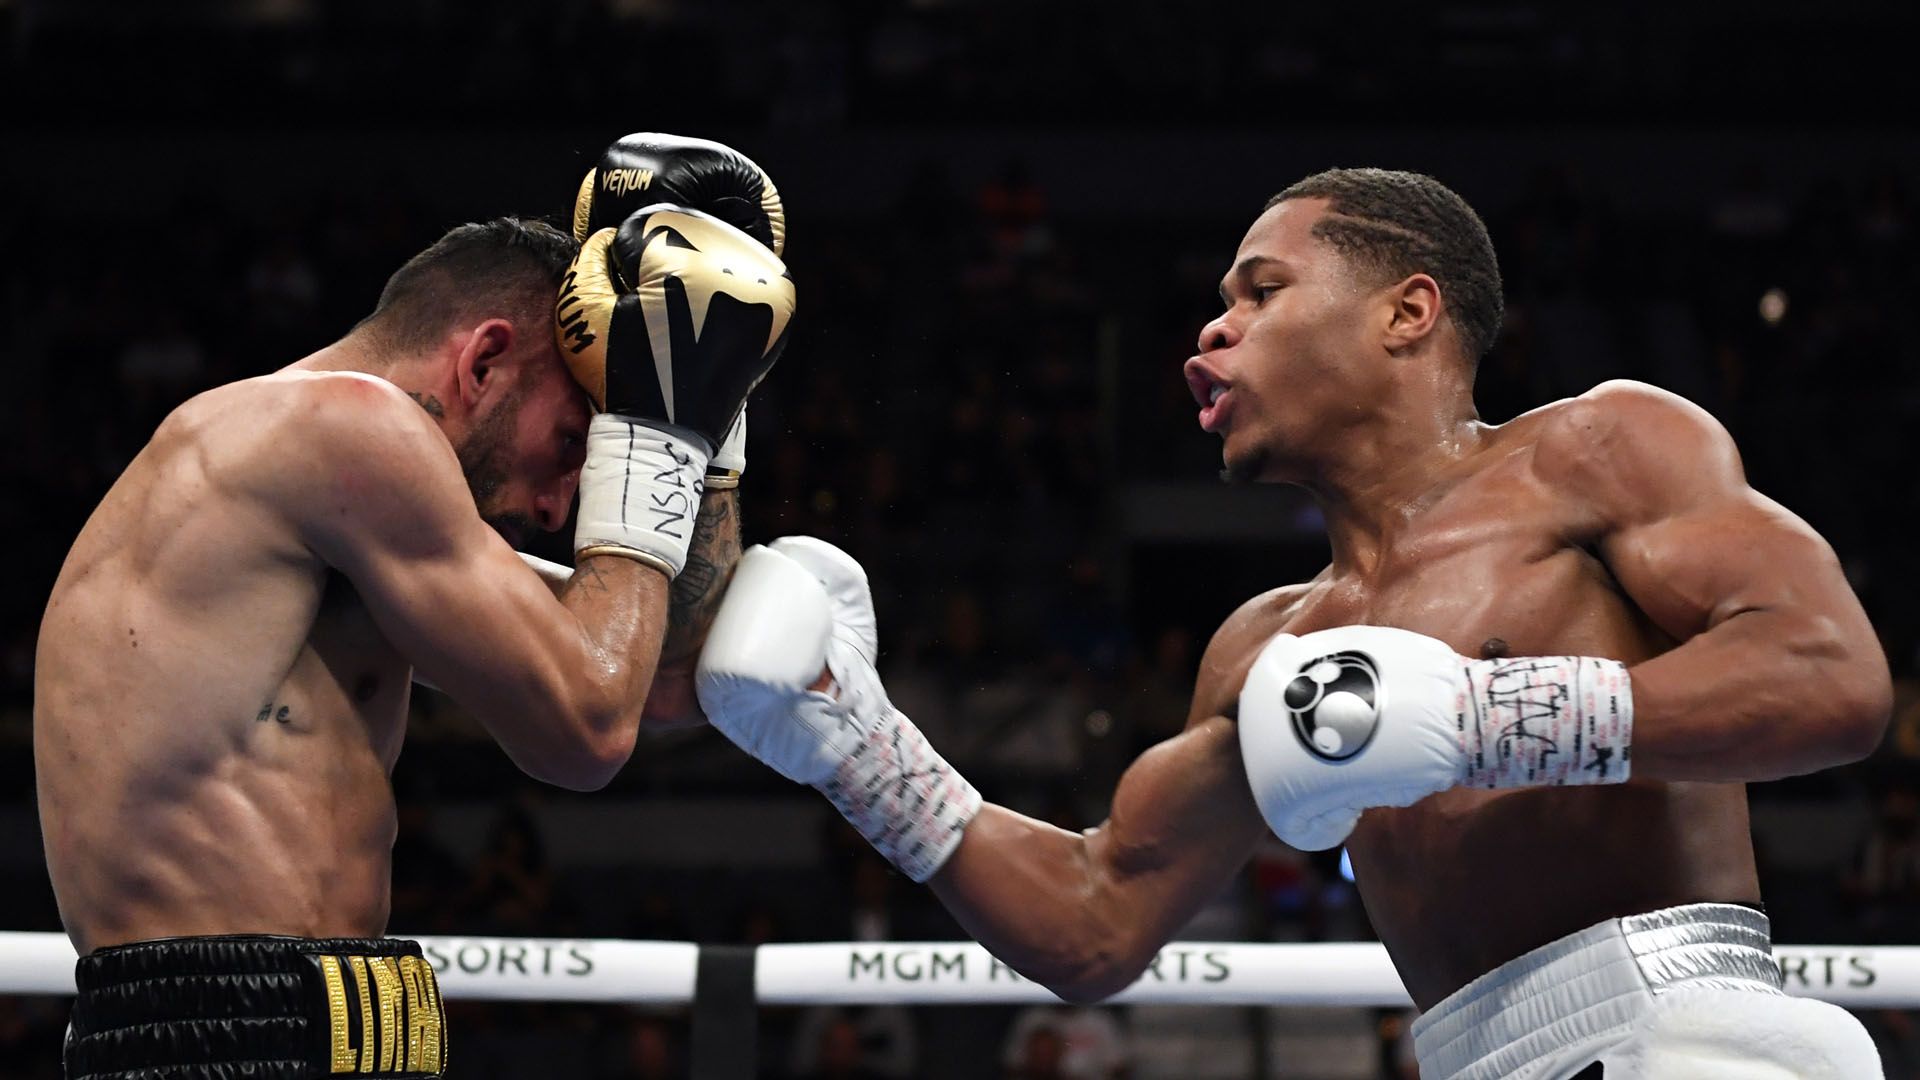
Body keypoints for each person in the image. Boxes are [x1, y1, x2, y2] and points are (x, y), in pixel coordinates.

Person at [694, 168, 1892, 1078]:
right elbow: (1096, 920)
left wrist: (1484, 717)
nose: (1213, 331)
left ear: (1407, 312)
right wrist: (858, 748)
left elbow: (1832, 677)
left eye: (1262, 292)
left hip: (1683, 1033)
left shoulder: (1596, 450)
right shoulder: (1269, 653)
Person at [34, 133, 794, 1079]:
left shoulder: (343, 513)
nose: (560, 510)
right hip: (224, 1028)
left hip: (341, 1016)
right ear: (484, 361)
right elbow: (589, 727)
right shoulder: (341, 430)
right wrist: (653, 435)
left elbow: (664, 679)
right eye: (572, 444)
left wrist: (710, 422)